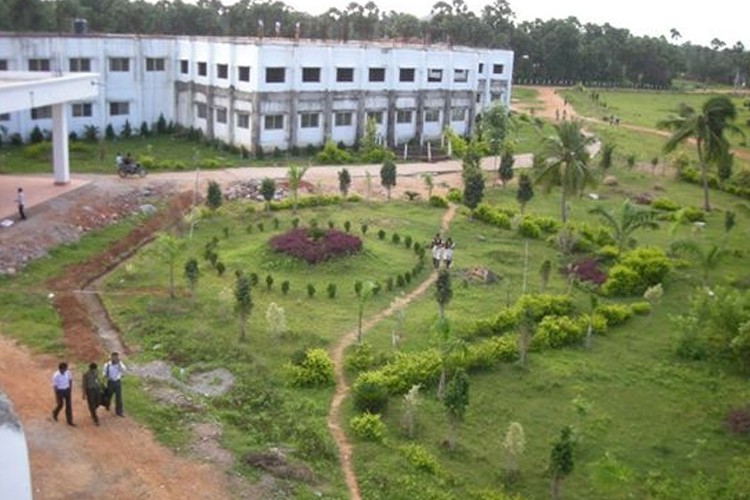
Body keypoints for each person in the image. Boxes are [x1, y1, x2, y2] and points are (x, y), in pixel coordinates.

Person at [103, 352, 126, 417]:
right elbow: (104, 374)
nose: (115, 358)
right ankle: (107, 405)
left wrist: (119, 364)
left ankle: (119, 411)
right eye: (114, 357)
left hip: (117, 382)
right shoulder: (107, 365)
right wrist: (105, 379)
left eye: (116, 357)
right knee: (109, 395)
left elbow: (124, 370)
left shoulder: (119, 364)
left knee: (119, 397)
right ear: (111, 357)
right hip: (110, 382)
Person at [51, 362, 74, 426]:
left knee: (69, 405)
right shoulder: (56, 375)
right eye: (65, 369)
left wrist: (70, 388)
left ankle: (70, 421)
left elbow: (70, 380)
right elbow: (55, 386)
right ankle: (55, 413)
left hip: (67, 389)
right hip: (60, 391)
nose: (66, 370)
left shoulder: (68, 373)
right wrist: (56, 396)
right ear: (61, 369)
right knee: (60, 404)